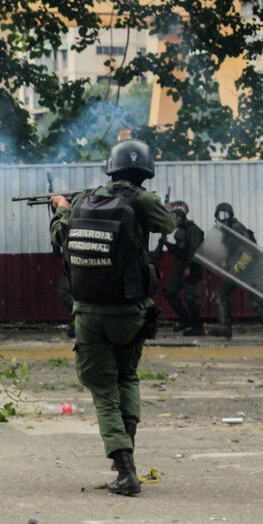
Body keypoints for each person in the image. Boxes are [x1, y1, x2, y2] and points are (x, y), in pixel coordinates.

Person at [50, 139, 175, 496]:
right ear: (145, 170)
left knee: (103, 390)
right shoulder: (142, 200)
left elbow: (61, 236)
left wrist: (61, 207)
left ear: (111, 167)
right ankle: (127, 459)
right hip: (131, 311)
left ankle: (125, 471)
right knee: (127, 377)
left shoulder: (86, 201)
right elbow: (166, 223)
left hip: (89, 312)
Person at [209, 202, 263, 343]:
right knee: (221, 292)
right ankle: (224, 327)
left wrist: (236, 267)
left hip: (248, 269)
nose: (223, 218)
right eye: (220, 215)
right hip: (237, 270)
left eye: (225, 214)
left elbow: (247, 250)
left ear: (231, 215)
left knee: (257, 302)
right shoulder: (225, 232)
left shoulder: (237, 228)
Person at [155, 201, 205, 336]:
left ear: (182, 218)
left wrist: (188, 267)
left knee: (190, 297)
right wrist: (166, 244)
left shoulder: (193, 231)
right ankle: (185, 320)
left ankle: (197, 327)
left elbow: (194, 252)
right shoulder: (182, 231)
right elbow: (179, 251)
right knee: (169, 292)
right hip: (183, 266)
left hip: (193, 267)